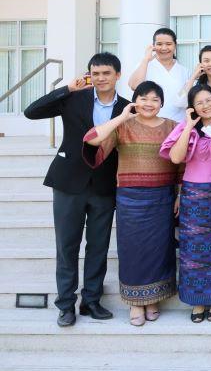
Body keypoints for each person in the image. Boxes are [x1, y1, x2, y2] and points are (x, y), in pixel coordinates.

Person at [23, 52, 129, 327]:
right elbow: (31, 112)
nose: (101, 78)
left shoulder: (126, 108)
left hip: (104, 185)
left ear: (117, 75)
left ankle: (91, 300)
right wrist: (67, 88)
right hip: (68, 182)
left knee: (98, 247)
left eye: (106, 73)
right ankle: (66, 304)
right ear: (89, 75)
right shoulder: (73, 98)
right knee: (67, 246)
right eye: (95, 73)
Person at [82, 81, 178, 326]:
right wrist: (121, 117)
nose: (149, 104)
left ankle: (154, 298)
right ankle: (136, 302)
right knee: (132, 250)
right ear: (135, 101)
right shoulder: (123, 126)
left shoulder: (172, 126)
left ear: (162, 103)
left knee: (159, 249)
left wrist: (179, 194)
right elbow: (91, 139)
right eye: (143, 98)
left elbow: (182, 164)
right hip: (130, 198)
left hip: (162, 198)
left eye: (155, 99)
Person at [159, 84, 211, 323]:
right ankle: (197, 300)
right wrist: (188, 125)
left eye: (209, 100)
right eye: (199, 102)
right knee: (193, 252)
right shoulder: (186, 129)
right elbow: (176, 157)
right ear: (192, 107)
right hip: (194, 196)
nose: (206, 105)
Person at [128, 27, 190, 121]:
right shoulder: (145, 65)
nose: (164, 48)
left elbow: (185, 99)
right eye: (159, 44)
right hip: (149, 123)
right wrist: (146, 59)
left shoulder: (184, 71)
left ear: (175, 45)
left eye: (168, 44)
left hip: (177, 124)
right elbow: (134, 86)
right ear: (153, 46)